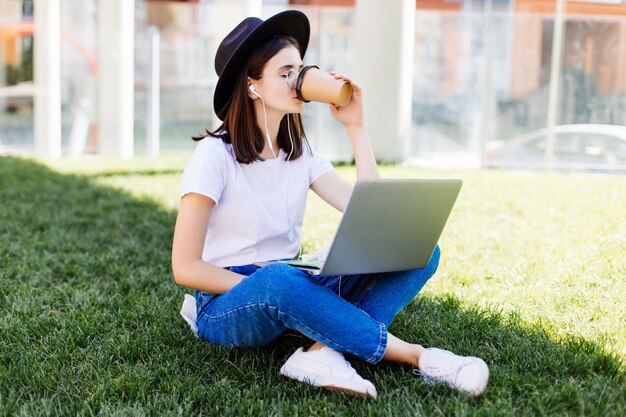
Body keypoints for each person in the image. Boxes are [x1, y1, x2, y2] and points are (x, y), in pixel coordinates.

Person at [171, 10, 489, 399]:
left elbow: (372, 218)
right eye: (286, 73)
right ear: (252, 85)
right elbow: (185, 267)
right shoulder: (213, 156)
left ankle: (320, 351)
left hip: (289, 277)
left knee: (419, 252)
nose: (300, 83)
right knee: (280, 281)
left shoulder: (299, 152)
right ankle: (421, 358)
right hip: (226, 303)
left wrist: (357, 127)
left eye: (301, 70)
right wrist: (272, 288)